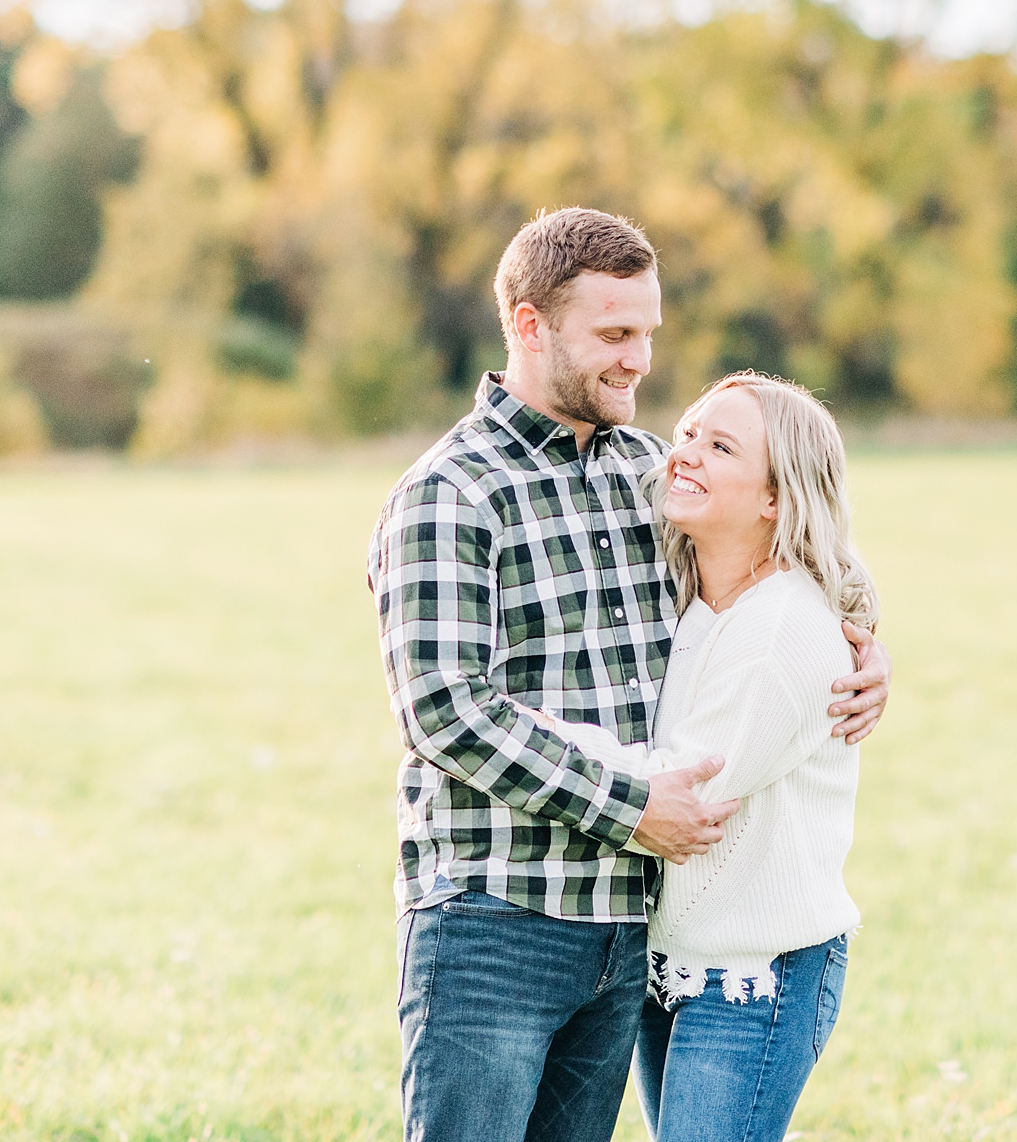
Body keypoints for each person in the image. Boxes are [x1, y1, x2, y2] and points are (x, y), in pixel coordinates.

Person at [370, 207, 891, 1142]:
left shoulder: (650, 472)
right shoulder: (449, 495)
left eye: (648, 333)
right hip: (497, 922)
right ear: (530, 327)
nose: (639, 360)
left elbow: (788, 538)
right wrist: (627, 803)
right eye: (614, 334)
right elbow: (446, 712)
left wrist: (860, 636)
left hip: (626, 933)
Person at [528, 371, 873, 1142]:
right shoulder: (694, 601)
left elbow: (689, 787)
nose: (683, 453)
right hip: (672, 963)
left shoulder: (782, 627)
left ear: (775, 499)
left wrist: (539, 735)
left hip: (758, 973)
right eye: (686, 433)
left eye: (720, 446)